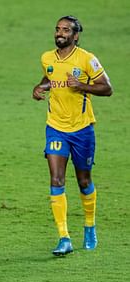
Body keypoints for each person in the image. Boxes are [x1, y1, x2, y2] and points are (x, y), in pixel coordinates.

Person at [32, 16, 112, 256]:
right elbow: (49, 77)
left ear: (75, 36)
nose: (60, 33)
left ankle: (89, 227)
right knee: (56, 179)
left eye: (66, 30)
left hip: (82, 129)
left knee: (84, 181)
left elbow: (107, 88)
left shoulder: (87, 59)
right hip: (55, 127)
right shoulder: (47, 58)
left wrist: (82, 86)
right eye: (57, 29)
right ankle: (64, 237)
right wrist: (40, 87)